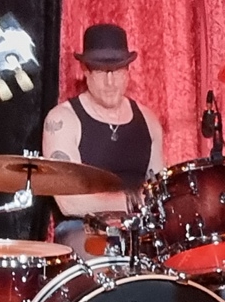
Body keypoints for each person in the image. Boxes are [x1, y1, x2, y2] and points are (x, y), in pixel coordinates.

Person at [40, 23, 161, 255]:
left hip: (140, 228)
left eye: (117, 70)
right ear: (85, 71)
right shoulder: (63, 119)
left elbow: (157, 193)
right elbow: (70, 203)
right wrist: (133, 201)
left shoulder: (149, 120)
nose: (110, 81)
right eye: (100, 71)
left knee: (199, 266)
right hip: (83, 227)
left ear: (127, 71)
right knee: (103, 262)